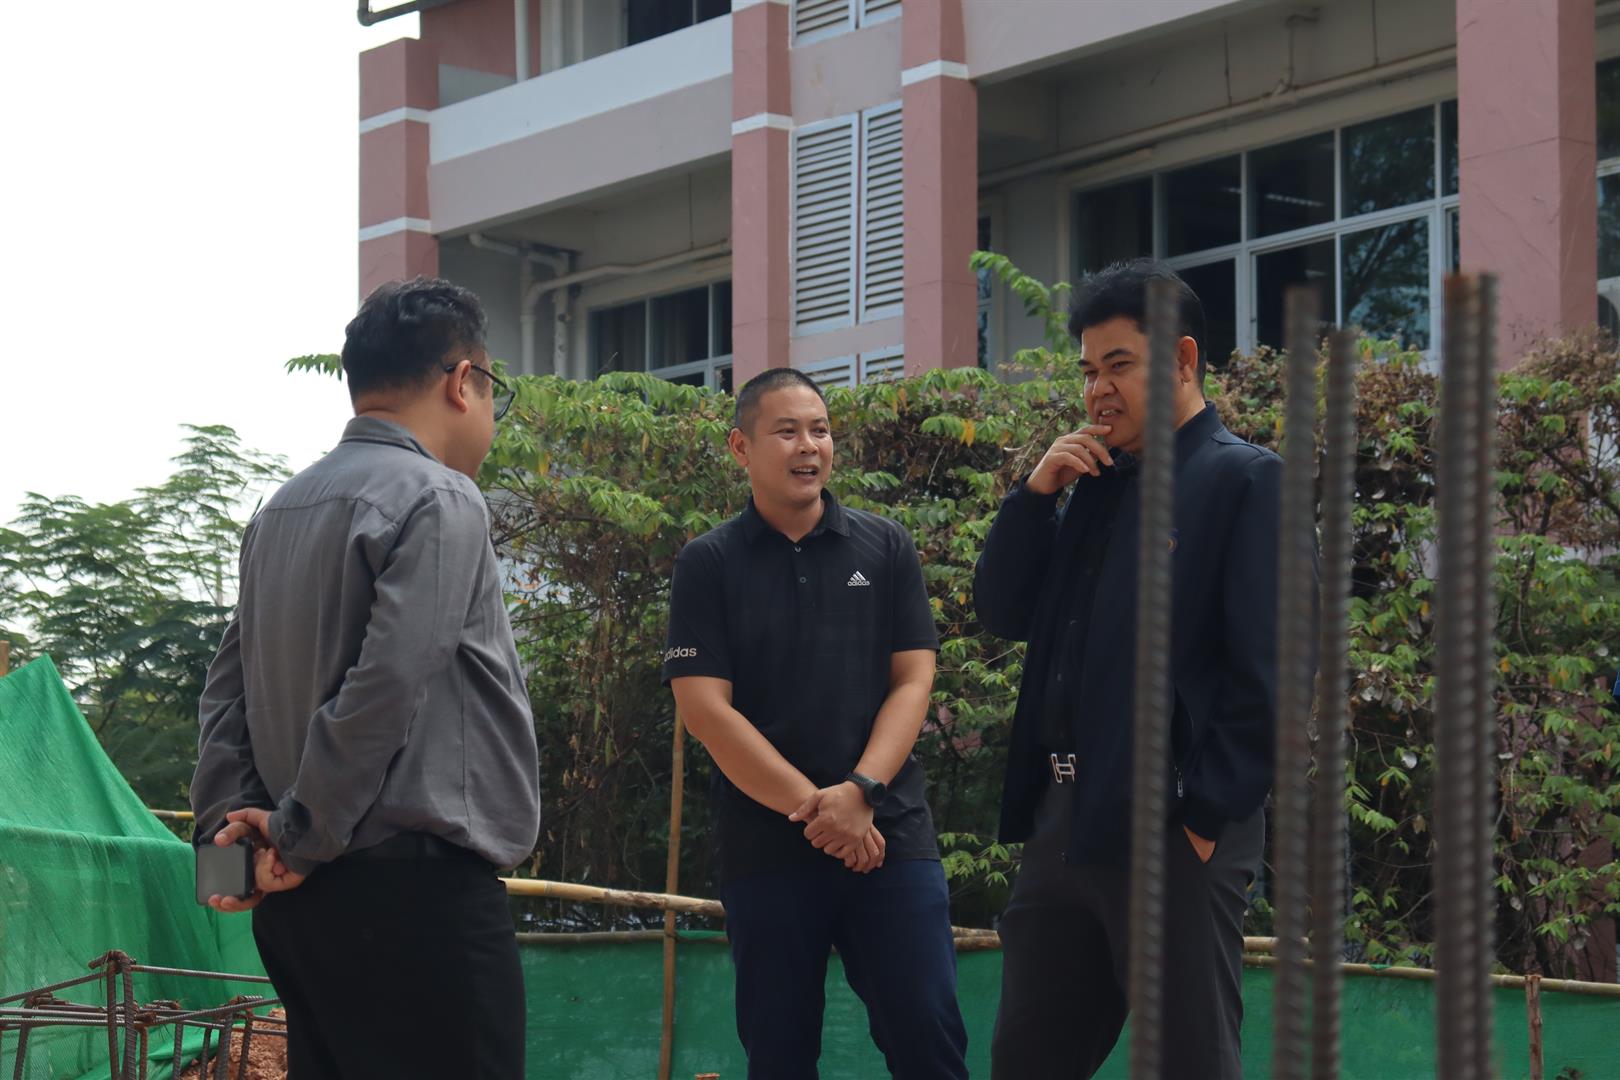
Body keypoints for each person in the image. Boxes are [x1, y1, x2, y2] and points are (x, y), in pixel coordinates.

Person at [190, 277, 540, 1079]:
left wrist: (229, 862)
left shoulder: (279, 509)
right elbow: (386, 686)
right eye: (494, 388)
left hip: (298, 909)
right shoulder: (443, 498)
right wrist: (301, 838)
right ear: (463, 382)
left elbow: (226, 694)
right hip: (417, 904)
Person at [976, 259, 1284, 1078]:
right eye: (1087, 371)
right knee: (1027, 1059)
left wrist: (1203, 818)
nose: (1097, 390)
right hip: (1063, 821)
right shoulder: (1094, 483)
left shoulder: (1245, 479)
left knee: (1188, 1060)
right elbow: (1004, 612)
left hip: (1172, 824)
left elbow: (1275, 671)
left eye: (1118, 365)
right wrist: (1034, 496)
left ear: (1181, 359)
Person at [662, 368, 969, 1079]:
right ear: (741, 447)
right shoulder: (707, 562)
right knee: (780, 1053)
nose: (810, 446)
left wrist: (861, 793)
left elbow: (914, 679)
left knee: (929, 1037)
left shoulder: (884, 545)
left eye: (821, 430)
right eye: (788, 431)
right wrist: (822, 812)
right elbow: (706, 710)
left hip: (888, 836)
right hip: (768, 846)